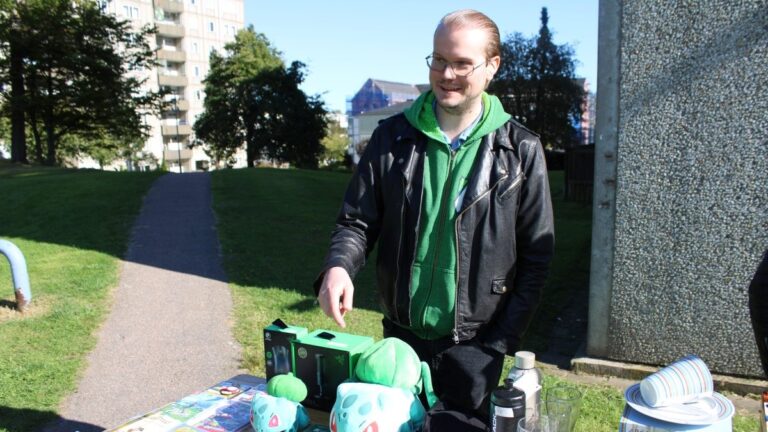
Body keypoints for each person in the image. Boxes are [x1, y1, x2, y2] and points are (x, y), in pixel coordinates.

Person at [315, 9, 554, 430]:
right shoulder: (391, 138)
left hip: (475, 347)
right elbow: (356, 222)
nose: (446, 74)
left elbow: (537, 258)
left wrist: (498, 342)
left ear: (492, 66)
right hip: (400, 341)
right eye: (439, 59)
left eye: (462, 63)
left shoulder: (521, 150)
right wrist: (338, 267)